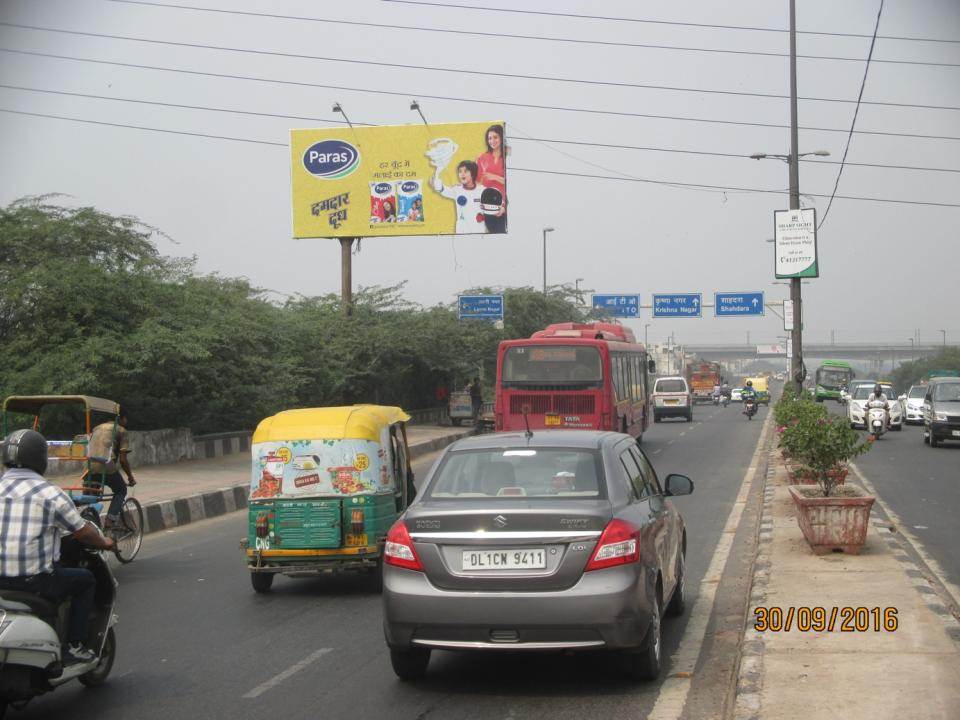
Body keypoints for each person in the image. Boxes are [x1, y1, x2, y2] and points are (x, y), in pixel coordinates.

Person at [0, 429, 115, 664]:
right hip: (34, 582)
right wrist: (105, 542)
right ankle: (74, 645)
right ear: (40, 459)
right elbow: (82, 531)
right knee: (85, 580)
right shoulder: (51, 493)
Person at [87, 410, 136, 529]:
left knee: (90, 498)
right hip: (106, 467)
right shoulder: (121, 430)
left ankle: (90, 520)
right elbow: (123, 460)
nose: (127, 422)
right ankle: (110, 519)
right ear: (122, 418)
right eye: (126, 419)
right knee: (121, 490)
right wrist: (130, 477)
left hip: (89, 468)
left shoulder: (96, 428)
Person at [431, 160, 488, 234]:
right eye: (460, 171)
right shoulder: (457, 190)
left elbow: (495, 203)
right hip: (462, 230)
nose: (462, 174)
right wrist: (437, 186)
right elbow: (444, 190)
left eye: (465, 171)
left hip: (478, 229)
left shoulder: (482, 190)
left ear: (473, 174)